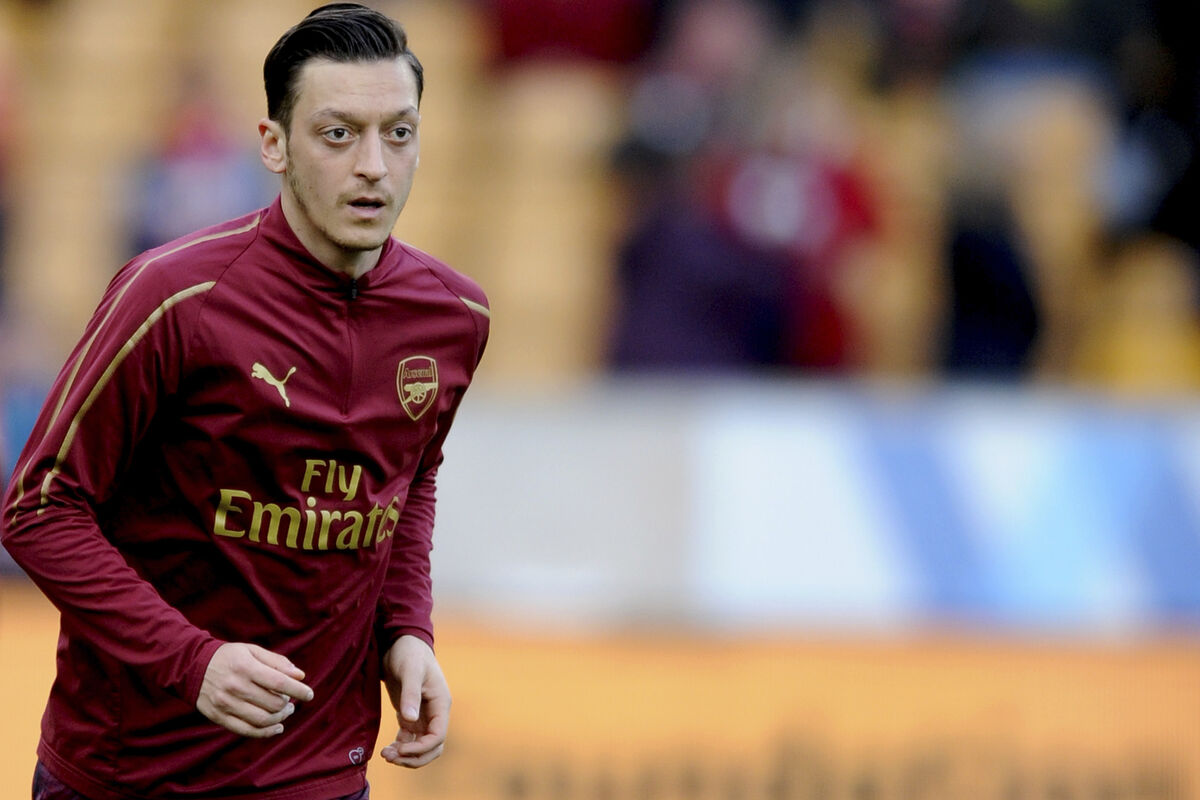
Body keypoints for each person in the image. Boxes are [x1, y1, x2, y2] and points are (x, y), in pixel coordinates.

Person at [0, 4, 490, 799]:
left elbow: (407, 481)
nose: (373, 165)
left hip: (321, 778)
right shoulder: (172, 298)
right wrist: (190, 660)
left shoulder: (454, 317)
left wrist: (406, 628)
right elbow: (38, 508)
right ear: (273, 144)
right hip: (131, 778)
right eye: (339, 134)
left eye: (398, 133)